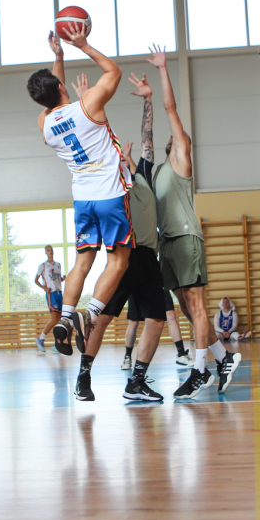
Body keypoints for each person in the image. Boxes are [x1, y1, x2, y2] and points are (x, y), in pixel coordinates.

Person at [140, 52, 240, 397]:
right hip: (166, 243)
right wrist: (146, 101)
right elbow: (148, 139)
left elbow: (171, 110)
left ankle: (200, 372)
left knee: (196, 307)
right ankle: (223, 358)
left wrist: (163, 69)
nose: (173, 136)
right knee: (185, 307)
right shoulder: (160, 169)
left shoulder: (182, 158)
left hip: (185, 238)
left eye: (177, 135)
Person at [29, 25, 132, 359]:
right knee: (118, 260)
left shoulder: (45, 126)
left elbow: (55, 103)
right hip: (111, 194)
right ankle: (91, 311)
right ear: (61, 87)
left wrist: (58, 56)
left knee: (82, 261)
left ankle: (67, 317)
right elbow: (114, 71)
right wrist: (82, 46)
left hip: (83, 198)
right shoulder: (89, 105)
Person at [69, 139, 167, 402]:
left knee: (156, 320)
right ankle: (83, 378)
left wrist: (148, 100)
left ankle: (136, 383)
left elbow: (148, 140)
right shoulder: (111, 188)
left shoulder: (143, 181)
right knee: (101, 319)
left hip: (149, 258)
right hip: (123, 257)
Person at [122, 290, 190, 370]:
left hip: (158, 282)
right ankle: (127, 356)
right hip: (137, 284)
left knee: (171, 314)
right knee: (133, 322)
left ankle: (181, 354)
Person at [33, 245, 64, 352]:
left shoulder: (58, 265)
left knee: (60, 320)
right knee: (54, 319)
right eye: (48, 250)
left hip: (59, 292)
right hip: (52, 293)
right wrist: (44, 288)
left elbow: (57, 279)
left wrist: (62, 279)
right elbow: (36, 280)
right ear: (45, 252)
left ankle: (57, 344)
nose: (50, 251)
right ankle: (41, 338)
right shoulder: (43, 266)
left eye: (51, 250)